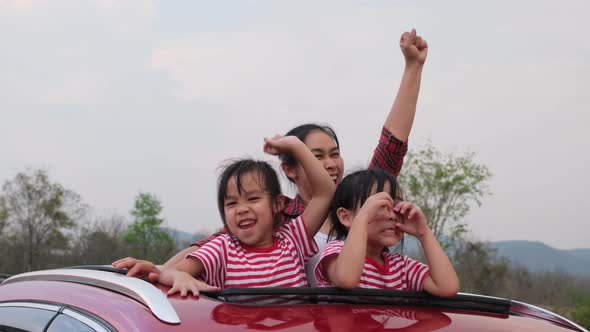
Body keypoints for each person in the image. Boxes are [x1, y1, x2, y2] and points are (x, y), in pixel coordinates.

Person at [112, 28, 428, 284]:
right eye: (316, 156)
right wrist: (156, 272)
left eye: (335, 154)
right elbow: (210, 248)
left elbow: (392, 145)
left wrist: (413, 68)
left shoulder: (364, 205)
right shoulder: (280, 219)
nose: (330, 164)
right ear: (291, 168)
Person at [158, 134, 335, 295]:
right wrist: (181, 277)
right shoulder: (222, 248)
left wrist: (295, 146)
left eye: (252, 198)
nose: (241, 209)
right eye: (232, 203)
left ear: (277, 204)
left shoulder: (293, 239)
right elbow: (170, 272)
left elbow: (325, 193)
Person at [314, 169, 459, 298]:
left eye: (396, 206)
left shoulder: (401, 267)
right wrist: (362, 218)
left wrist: (424, 233)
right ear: (347, 217)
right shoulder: (336, 251)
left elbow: (447, 287)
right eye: (380, 205)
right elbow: (346, 279)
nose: (392, 215)